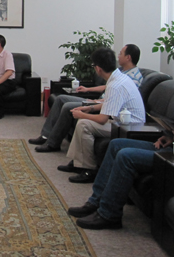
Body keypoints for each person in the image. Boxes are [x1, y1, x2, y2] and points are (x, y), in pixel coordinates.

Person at [67, 131, 174, 229]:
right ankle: (95, 201)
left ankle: (109, 214)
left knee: (126, 156)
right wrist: (173, 138)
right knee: (116, 144)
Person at [29, 44, 143, 152]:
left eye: (121, 53)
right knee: (60, 99)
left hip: (125, 124)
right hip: (105, 107)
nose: (118, 56)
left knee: (77, 117)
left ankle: (57, 146)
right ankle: (46, 136)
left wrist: (86, 111)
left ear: (98, 68)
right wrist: (90, 104)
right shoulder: (120, 75)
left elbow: (104, 117)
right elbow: (112, 100)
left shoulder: (122, 81)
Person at [58, 47, 146, 183]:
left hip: (129, 128)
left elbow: (102, 119)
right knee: (83, 122)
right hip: (122, 123)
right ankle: (78, 163)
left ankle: (89, 169)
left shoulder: (115, 85)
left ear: (98, 68)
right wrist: (90, 108)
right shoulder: (119, 78)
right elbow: (110, 103)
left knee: (84, 124)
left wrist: (81, 115)